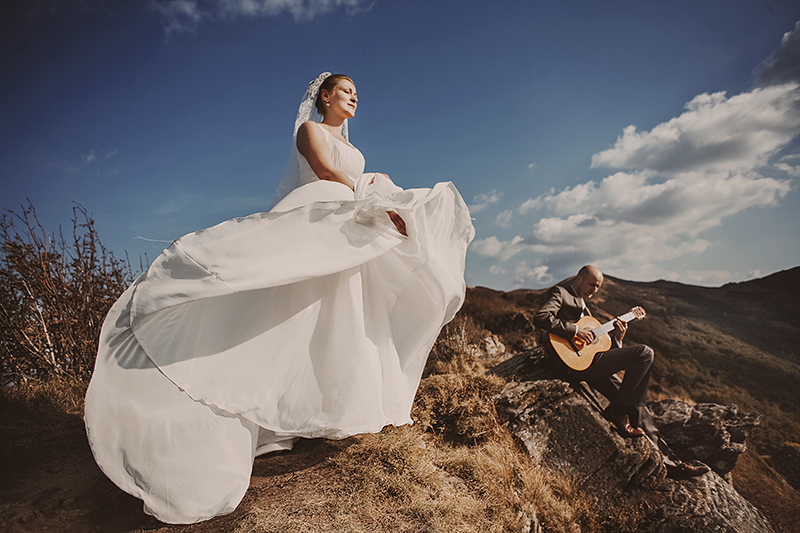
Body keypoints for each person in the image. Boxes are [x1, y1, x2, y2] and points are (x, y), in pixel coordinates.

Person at [84, 73, 475, 524]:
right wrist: (362, 193)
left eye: (357, 95)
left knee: (337, 310)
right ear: (324, 96)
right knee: (287, 308)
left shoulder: (354, 145)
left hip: (347, 210)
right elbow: (328, 172)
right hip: (321, 207)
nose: (353, 99)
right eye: (345, 91)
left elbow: (351, 172)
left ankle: (326, 407)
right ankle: (270, 413)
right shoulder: (310, 130)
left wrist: (374, 182)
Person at [532, 265, 709, 480]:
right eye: (592, 284)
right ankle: (617, 412)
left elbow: (601, 348)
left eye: (598, 287)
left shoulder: (584, 307)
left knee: (637, 404)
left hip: (589, 363)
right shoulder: (561, 293)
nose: (594, 290)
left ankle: (673, 464)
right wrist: (576, 330)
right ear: (579, 278)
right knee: (644, 353)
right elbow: (541, 317)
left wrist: (618, 338)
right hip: (569, 362)